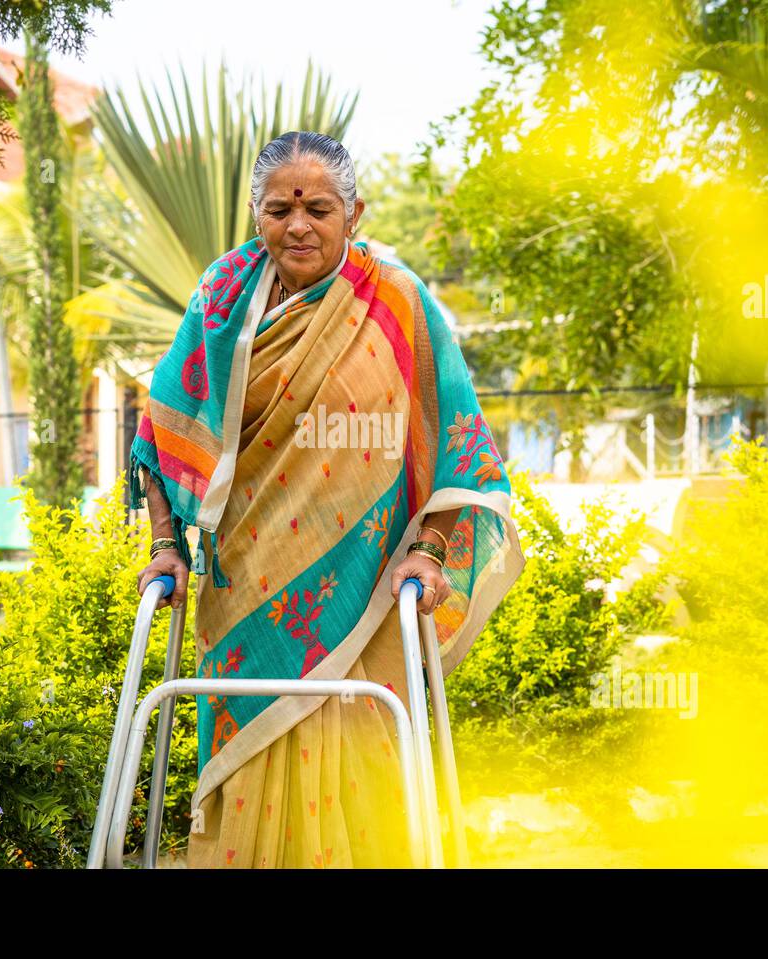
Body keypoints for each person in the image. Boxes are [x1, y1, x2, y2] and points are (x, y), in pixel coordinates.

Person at [130, 130, 523, 867]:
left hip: (363, 596)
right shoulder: (221, 298)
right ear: (256, 214)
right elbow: (163, 427)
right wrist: (164, 545)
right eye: (280, 208)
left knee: (359, 775)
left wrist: (431, 550)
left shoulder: (399, 303)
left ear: (355, 212)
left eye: (318, 207)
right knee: (250, 772)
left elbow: (456, 445)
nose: (298, 225)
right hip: (242, 592)